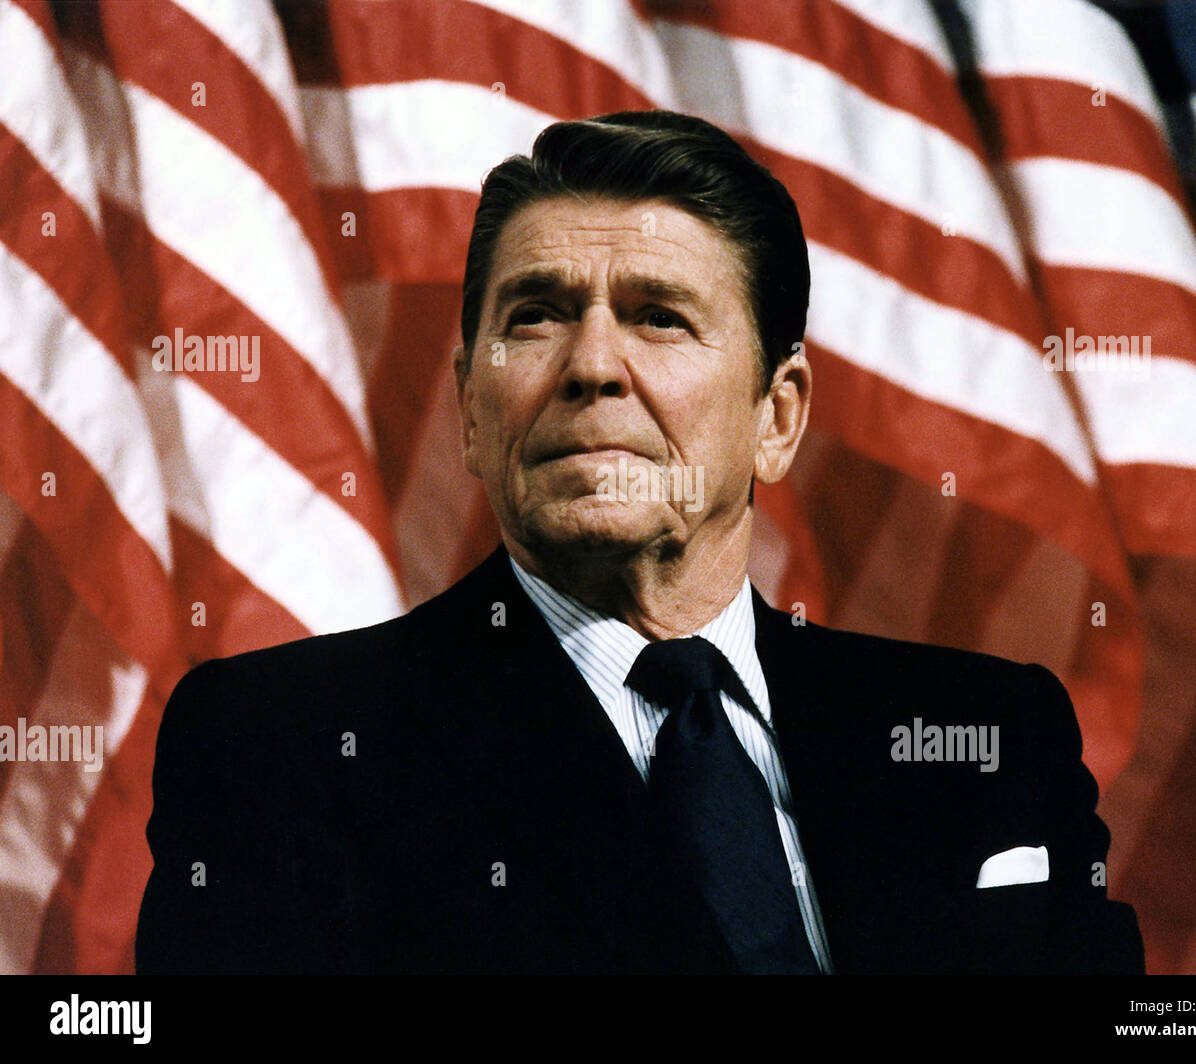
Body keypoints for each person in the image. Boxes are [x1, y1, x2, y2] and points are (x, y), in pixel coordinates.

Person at [136, 110, 1143, 975]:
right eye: (536, 317)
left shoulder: (990, 733)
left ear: (777, 416)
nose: (592, 366)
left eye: (659, 317)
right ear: (470, 414)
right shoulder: (280, 745)